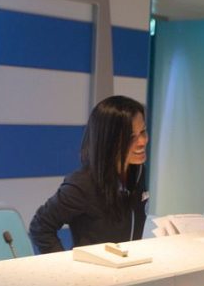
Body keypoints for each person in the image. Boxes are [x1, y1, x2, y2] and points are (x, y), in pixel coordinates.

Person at [29, 95, 149, 253]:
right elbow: (40, 227)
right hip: (94, 267)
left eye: (143, 132)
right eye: (131, 137)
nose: (142, 142)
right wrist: (65, 264)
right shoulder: (82, 185)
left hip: (135, 264)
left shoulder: (143, 174)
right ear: (109, 140)